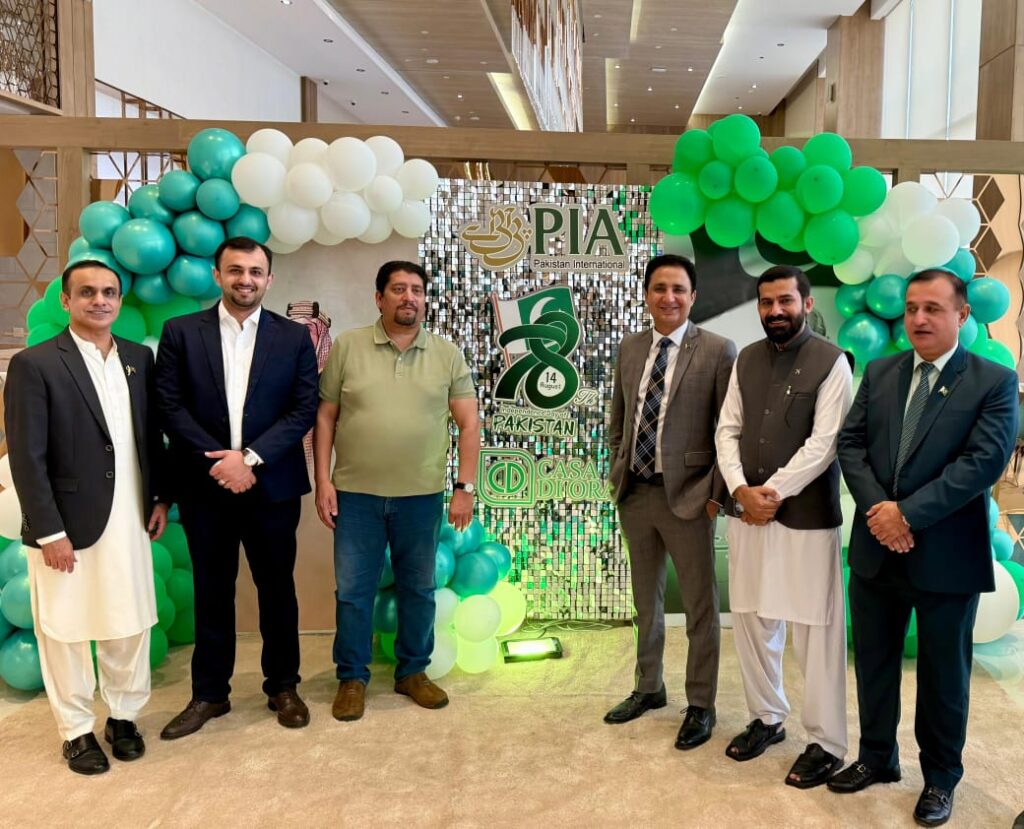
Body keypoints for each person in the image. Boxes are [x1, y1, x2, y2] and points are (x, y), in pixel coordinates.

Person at [833, 269, 1018, 827]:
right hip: (877, 548)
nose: (918, 318)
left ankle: (940, 778)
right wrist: (881, 513)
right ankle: (876, 758)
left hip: (947, 555)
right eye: (912, 307)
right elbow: (850, 444)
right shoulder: (881, 371)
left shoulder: (993, 380)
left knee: (944, 676)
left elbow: (981, 463)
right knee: (874, 663)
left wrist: (906, 514)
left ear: (962, 315)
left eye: (933, 308)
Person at [4, 260, 169, 774]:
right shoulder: (35, 364)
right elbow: (26, 456)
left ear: (119, 300)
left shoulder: (138, 358)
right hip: (66, 525)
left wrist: (160, 498)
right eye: (88, 292)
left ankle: (124, 717)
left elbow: (151, 437)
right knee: (66, 629)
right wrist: (49, 531)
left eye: (109, 292)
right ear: (66, 300)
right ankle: (75, 731)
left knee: (129, 622)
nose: (100, 301)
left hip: (130, 518)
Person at [155, 236, 318, 739]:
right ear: (217, 275)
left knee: (278, 590)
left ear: (269, 279)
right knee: (212, 591)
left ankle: (283, 687)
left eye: (255, 271)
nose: (245, 279)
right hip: (205, 488)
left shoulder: (294, 337)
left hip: (272, 487)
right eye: (235, 270)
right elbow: (169, 405)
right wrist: (222, 461)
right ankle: (209, 694)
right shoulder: (181, 332)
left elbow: (303, 408)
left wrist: (248, 458)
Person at [314, 260, 479, 722]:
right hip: (355, 495)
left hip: (420, 497)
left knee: (419, 589)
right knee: (353, 592)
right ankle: (352, 677)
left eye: (417, 290)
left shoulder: (446, 354)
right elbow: (325, 416)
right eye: (399, 289)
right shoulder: (348, 346)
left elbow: (469, 424)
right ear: (379, 298)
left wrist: (464, 487)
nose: (410, 297)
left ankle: (412, 672)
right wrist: (323, 480)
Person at [715, 265, 852, 787]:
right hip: (748, 513)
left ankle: (827, 742)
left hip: (804, 517)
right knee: (752, 619)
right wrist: (739, 490)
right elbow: (727, 430)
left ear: (807, 304)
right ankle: (767, 717)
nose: (775, 311)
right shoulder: (746, 359)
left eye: (785, 301)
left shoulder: (832, 362)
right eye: (767, 302)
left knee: (814, 630)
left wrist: (770, 493)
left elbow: (825, 443)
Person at [604, 253, 736, 751]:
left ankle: (701, 704)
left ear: (693, 296)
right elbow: (619, 418)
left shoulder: (718, 350)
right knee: (647, 601)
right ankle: (648, 687)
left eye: (679, 289)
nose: (669, 297)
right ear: (646, 294)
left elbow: (729, 431)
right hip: (635, 494)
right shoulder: (630, 347)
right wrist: (617, 468)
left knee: (701, 607)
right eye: (660, 288)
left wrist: (715, 496)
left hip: (690, 499)